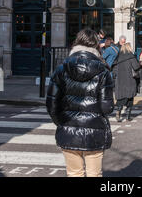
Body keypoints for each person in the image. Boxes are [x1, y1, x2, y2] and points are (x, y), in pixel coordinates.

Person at [46, 28, 114, 177]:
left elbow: (51, 104)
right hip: (95, 130)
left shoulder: (61, 69)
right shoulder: (103, 71)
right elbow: (107, 107)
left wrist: (61, 122)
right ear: (96, 46)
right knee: (94, 174)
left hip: (69, 129)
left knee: (74, 173)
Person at [112, 42, 140, 122]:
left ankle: (118, 111)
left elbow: (114, 69)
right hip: (129, 80)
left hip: (120, 81)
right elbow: (136, 67)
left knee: (121, 98)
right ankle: (128, 116)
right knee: (130, 98)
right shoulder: (131, 57)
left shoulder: (118, 57)